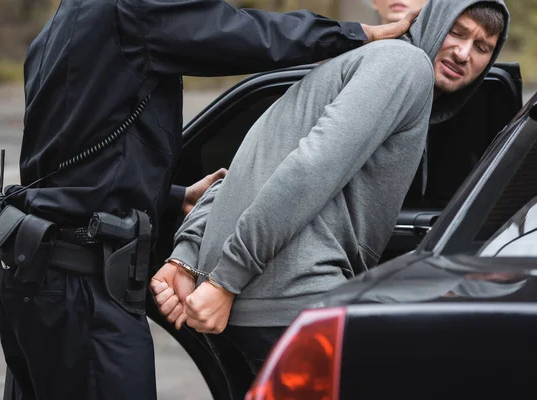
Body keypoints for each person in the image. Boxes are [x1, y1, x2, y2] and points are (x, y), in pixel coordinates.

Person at [0, 1, 420, 399]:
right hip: (80, 288)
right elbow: (243, 34)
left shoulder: (60, 26)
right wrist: (356, 34)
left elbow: (70, 161)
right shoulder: (132, 8)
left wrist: (174, 198)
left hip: (29, 275)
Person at [151, 0, 509, 396]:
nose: (464, 53)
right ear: (435, 22)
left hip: (265, 302)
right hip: (293, 300)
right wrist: (223, 282)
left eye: (483, 46)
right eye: (457, 32)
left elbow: (249, 170)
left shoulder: (372, 63)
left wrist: (188, 257)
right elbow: (309, 168)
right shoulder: (403, 67)